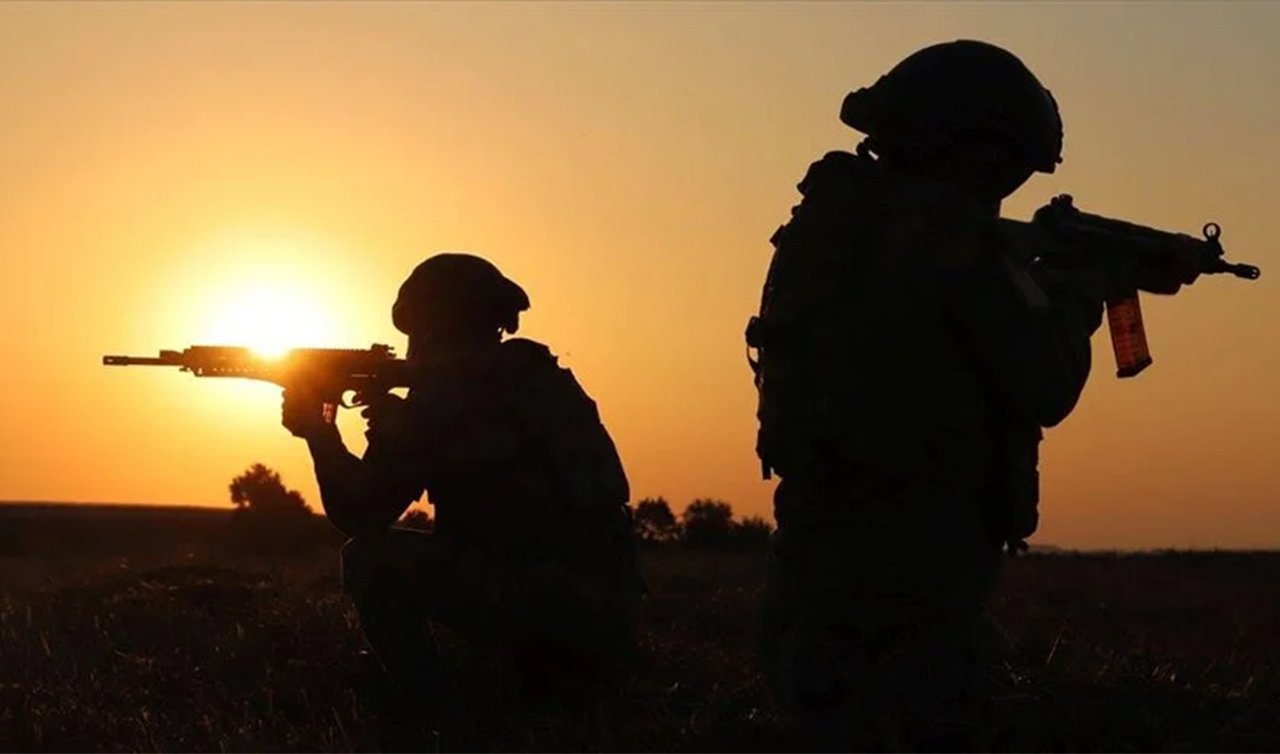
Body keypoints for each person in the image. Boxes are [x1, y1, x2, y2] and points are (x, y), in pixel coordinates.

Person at [746, 40, 1201, 751]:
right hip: (905, 599)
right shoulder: (944, 238)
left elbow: (926, 346)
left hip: (815, 581)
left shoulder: (839, 225)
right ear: (979, 153)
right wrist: (1080, 296)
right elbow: (1044, 383)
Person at [280, 253, 642, 747]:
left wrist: (319, 433)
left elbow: (359, 513)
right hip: (606, 606)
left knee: (369, 561)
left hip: (548, 601)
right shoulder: (536, 376)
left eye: (417, 332)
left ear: (434, 326)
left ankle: (441, 719)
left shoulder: (445, 400)